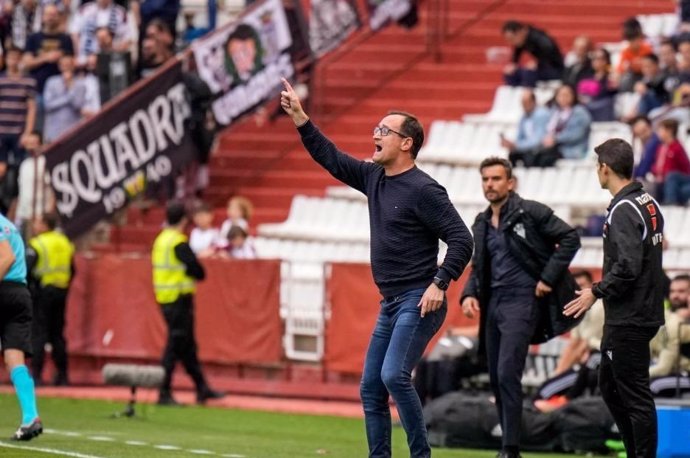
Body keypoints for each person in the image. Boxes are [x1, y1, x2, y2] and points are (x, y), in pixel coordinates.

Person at [280, 77, 474, 458]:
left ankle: (421, 455)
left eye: (385, 130)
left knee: (392, 376)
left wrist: (440, 282)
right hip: (391, 302)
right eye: (376, 129)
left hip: (419, 299)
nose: (376, 134)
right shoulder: (373, 177)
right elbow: (331, 158)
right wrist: (302, 119)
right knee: (371, 387)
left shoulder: (424, 189)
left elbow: (462, 239)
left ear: (406, 143)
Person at [460, 157, 580, 458]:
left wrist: (547, 279)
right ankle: (508, 445)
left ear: (510, 182)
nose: (490, 184)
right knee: (497, 378)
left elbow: (570, 238)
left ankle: (510, 448)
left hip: (522, 301)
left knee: (507, 374)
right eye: (485, 179)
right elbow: (478, 266)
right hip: (493, 304)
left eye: (496, 179)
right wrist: (469, 294)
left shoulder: (530, 211)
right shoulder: (482, 221)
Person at [564, 138, 665, 458]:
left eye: (597, 166)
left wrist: (596, 291)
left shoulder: (623, 208)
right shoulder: (649, 202)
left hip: (629, 316)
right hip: (640, 311)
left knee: (633, 395)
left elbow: (628, 266)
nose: (597, 171)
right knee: (609, 384)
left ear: (605, 168)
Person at [152, 201, 225, 406]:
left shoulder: (161, 240)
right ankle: (163, 390)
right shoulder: (178, 242)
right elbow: (198, 271)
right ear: (184, 219)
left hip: (165, 298)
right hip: (179, 298)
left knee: (187, 347)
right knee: (175, 346)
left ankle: (202, 388)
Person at [533, 270, 605, 412]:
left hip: (597, 362)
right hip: (585, 362)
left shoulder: (598, 308)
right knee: (548, 386)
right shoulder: (579, 308)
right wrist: (558, 372)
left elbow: (583, 346)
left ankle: (555, 406)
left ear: (591, 285)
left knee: (546, 391)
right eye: (577, 286)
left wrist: (560, 373)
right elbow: (573, 344)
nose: (580, 290)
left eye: (583, 285)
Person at [0, 211, 42, 440]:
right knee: (14, 359)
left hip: (3, 288)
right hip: (20, 294)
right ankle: (30, 417)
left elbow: (7, 258)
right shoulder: (9, 225)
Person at [25, 213, 74, 386]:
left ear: (46, 225)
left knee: (39, 333)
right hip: (62, 291)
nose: (35, 226)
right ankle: (63, 375)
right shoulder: (65, 242)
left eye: (38, 222)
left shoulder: (38, 244)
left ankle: (36, 375)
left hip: (42, 293)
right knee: (57, 335)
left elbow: (27, 269)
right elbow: (72, 268)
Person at [501, 20, 564, 87]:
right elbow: (518, 49)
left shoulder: (538, 37)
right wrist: (513, 64)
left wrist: (538, 63)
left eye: (511, 39)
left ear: (520, 32)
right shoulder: (522, 39)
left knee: (528, 73)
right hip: (542, 68)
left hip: (554, 69)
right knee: (511, 74)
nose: (511, 42)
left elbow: (550, 52)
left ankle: (528, 95)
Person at [501, 89, 550, 167]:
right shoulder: (524, 117)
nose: (524, 105)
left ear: (533, 102)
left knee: (530, 157)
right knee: (513, 154)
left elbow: (538, 140)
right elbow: (520, 137)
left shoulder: (541, 115)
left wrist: (517, 145)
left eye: (526, 102)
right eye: (523, 103)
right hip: (528, 148)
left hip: (539, 149)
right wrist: (512, 144)